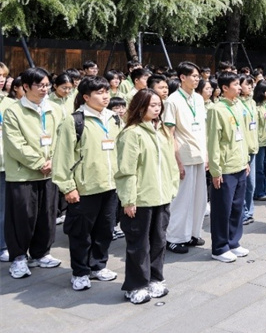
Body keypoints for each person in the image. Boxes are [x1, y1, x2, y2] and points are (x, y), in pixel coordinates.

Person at [52, 75, 122, 291]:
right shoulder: (74, 121)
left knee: (105, 229)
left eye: (106, 92)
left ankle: (98, 266)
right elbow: (62, 157)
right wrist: (68, 187)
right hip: (84, 188)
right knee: (81, 233)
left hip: (110, 186)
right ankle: (80, 271)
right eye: (99, 93)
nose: (105, 96)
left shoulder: (114, 118)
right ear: (85, 97)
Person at [115, 89, 179, 304]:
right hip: (141, 199)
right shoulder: (132, 133)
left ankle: (155, 278)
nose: (157, 108)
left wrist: (172, 187)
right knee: (138, 244)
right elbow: (126, 170)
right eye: (152, 105)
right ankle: (136, 285)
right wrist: (128, 199)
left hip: (161, 197)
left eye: (158, 105)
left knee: (159, 241)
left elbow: (169, 163)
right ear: (140, 106)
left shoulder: (161, 131)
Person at [3, 67, 64, 279]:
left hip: (50, 173)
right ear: (26, 87)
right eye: (40, 85)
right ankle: (18, 257)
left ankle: (41, 253)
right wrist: (39, 162)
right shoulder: (13, 111)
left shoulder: (55, 109)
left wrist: (54, 162)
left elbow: (62, 137)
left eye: (47, 85)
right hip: (23, 174)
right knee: (21, 216)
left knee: (47, 214)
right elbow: (14, 144)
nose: (44, 89)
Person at [163, 62, 208, 254]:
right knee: (181, 199)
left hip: (199, 154)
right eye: (194, 76)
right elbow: (169, 132)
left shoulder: (198, 98)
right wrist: (177, 160)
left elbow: (202, 128)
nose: (197, 79)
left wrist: (206, 155)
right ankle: (173, 237)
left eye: (198, 76)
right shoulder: (172, 100)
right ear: (182, 77)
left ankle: (191, 233)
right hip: (184, 154)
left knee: (199, 198)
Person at [206, 72, 250, 260]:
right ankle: (220, 247)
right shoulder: (216, 110)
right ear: (224, 88)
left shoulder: (239, 105)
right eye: (236, 85)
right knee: (222, 209)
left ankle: (234, 241)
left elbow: (244, 135)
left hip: (239, 164)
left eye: (240, 85)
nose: (239, 88)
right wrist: (216, 171)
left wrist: (246, 160)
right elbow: (214, 142)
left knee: (237, 207)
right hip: (225, 168)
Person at [238, 75, 259, 225]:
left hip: (253, 148)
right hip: (242, 149)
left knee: (251, 183)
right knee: (244, 183)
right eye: (247, 84)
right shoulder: (237, 104)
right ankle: (243, 212)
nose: (250, 87)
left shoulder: (252, 102)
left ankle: (249, 211)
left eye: (251, 85)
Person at [0, 62, 11, 262]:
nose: (1, 79)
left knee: (3, 209)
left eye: (3, 75)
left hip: (5, 164)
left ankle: (2, 245)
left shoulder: (9, 104)